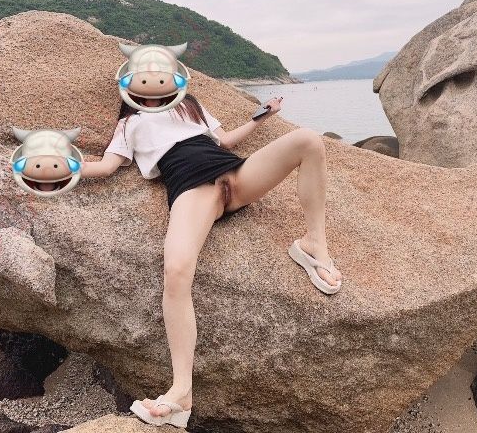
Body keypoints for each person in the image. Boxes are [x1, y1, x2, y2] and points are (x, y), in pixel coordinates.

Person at [80, 92, 343, 426]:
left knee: (308, 140)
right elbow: (105, 167)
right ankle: (181, 391)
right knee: (176, 271)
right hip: (193, 189)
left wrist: (262, 115)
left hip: (236, 173)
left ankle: (313, 243)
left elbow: (225, 140)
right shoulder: (130, 124)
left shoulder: (188, 105)